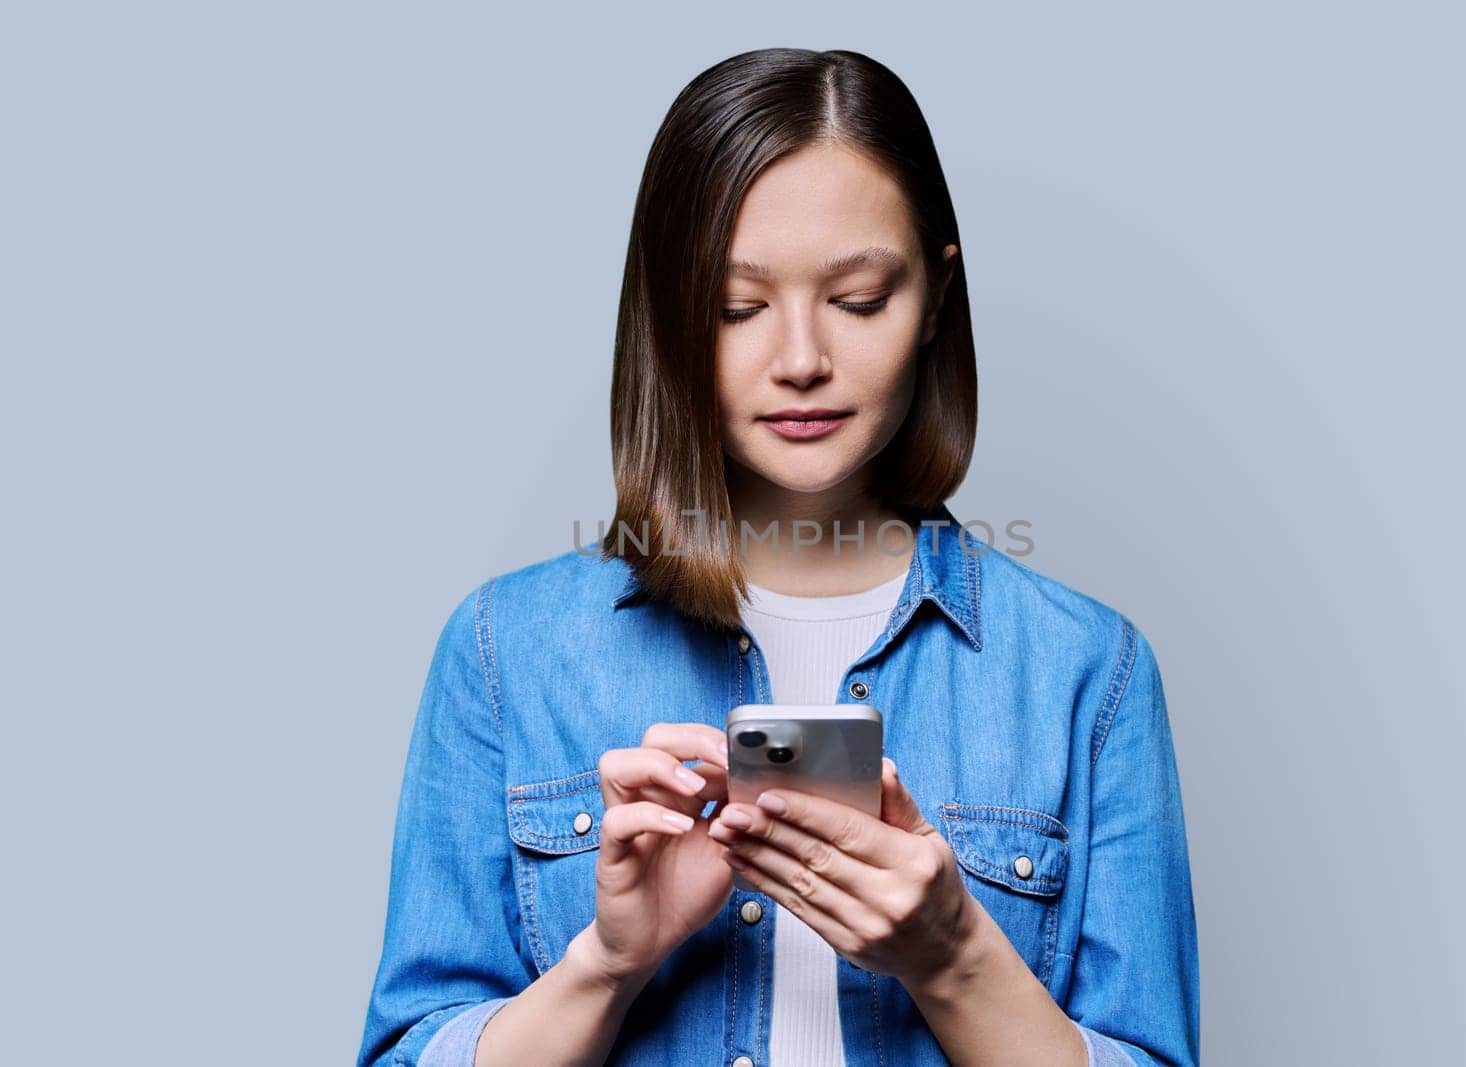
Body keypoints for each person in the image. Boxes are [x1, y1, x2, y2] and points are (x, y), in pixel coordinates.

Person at [357, 47, 1199, 1067]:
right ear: (669, 315)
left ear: (933, 296)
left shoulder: (1086, 671)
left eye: (856, 298)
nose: (800, 357)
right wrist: (608, 962)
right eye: (735, 306)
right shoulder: (504, 649)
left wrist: (952, 954)